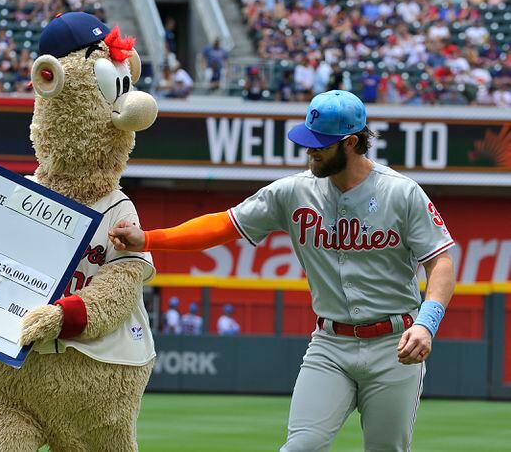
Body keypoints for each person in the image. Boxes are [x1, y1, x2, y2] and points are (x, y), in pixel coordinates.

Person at [110, 90, 456, 451]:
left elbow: (440, 261)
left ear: (352, 142)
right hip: (330, 344)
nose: (310, 150)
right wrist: (148, 238)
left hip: (394, 344)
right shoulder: (292, 191)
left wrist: (426, 323)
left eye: (321, 144)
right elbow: (222, 225)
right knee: (298, 447)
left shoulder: (401, 193)